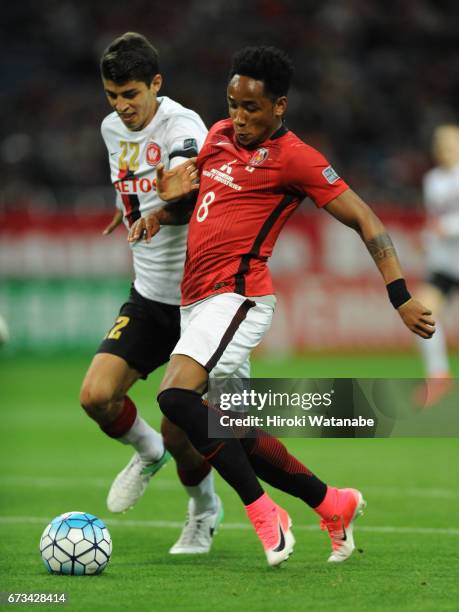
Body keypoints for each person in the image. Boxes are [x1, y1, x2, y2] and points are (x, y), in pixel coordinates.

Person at [129, 45, 435, 567]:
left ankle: (265, 513)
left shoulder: (296, 158)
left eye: (251, 108)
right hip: (196, 303)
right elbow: (203, 206)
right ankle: (331, 503)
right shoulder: (219, 138)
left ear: (279, 107)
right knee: (234, 433)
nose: (239, 118)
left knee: (176, 399)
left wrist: (400, 296)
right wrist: (163, 210)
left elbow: (367, 220)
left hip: (240, 298)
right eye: (232, 104)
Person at [79, 32, 223, 555]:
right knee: (96, 396)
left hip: (199, 299)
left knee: (179, 425)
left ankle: (203, 511)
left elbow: (189, 188)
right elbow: (134, 179)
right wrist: (127, 209)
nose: (121, 107)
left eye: (131, 95)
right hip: (148, 295)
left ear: (156, 85)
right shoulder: (110, 129)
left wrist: (159, 212)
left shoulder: (184, 125)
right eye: (112, 95)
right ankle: (147, 453)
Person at [414, 124, 459, 407]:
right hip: (446, 263)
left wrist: (447, 228)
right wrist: (429, 238)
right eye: (437, 143)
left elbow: (447, 222)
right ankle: (438, 376)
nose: (441, 147)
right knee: (422, 312)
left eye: (447, 142)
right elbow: (437, 220)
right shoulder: (432, 179)